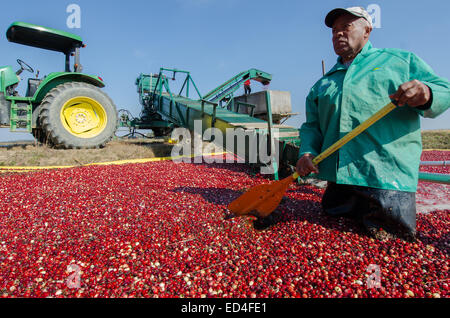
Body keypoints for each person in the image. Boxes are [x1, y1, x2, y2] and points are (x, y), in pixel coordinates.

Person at [296, 7, 450, 241]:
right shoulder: (323, 84)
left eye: (346, 27)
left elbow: (444, 89)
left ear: (367, 31)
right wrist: (306, 152)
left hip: (387, 181)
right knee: (337, 242)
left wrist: (425, 92)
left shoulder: (398, 61)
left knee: (392, 248)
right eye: (334, 30)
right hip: (338, 183)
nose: (338, 34)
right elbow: (312, 126)